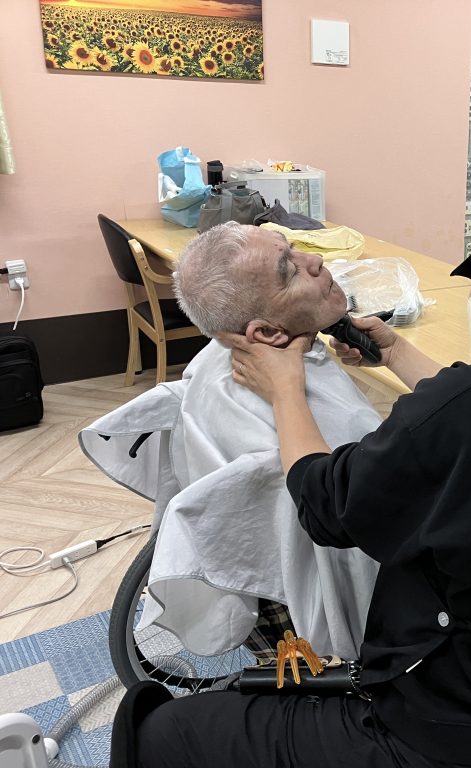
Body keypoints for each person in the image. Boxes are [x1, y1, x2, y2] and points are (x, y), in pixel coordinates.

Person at [110, 194, 471, 768]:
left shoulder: (464, 408)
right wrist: (397, 351)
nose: (313, 259)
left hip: (431, 731)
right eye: (289, 260)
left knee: (155, 728)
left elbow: (324, 503)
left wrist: (284, 390)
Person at [82, 222, 382, 663]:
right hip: (315, 623)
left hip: (261, 590)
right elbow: (365, 513)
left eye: (292, 248)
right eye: (289, 270)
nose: (315, 261)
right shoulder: (290, 422)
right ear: (267, 334)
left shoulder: (218, 359)